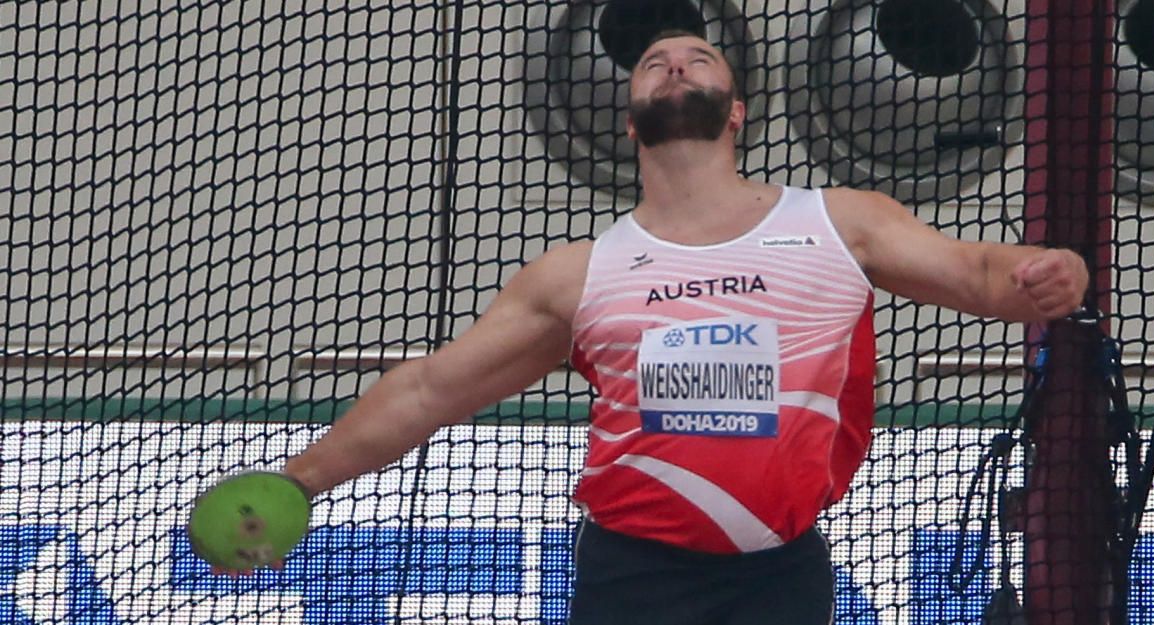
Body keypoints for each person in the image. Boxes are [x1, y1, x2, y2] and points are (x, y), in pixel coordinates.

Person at [214, 30, 1088, 625]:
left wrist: (1056, 272)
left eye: (699, 57)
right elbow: (429, 388)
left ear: (736, 111)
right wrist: (298, 480)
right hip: (634, 574)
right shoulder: (577, 273)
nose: (675, 64)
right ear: (630, 119)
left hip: (778, 571)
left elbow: (984, 275)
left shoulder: (840, 222)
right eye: (654, 63)